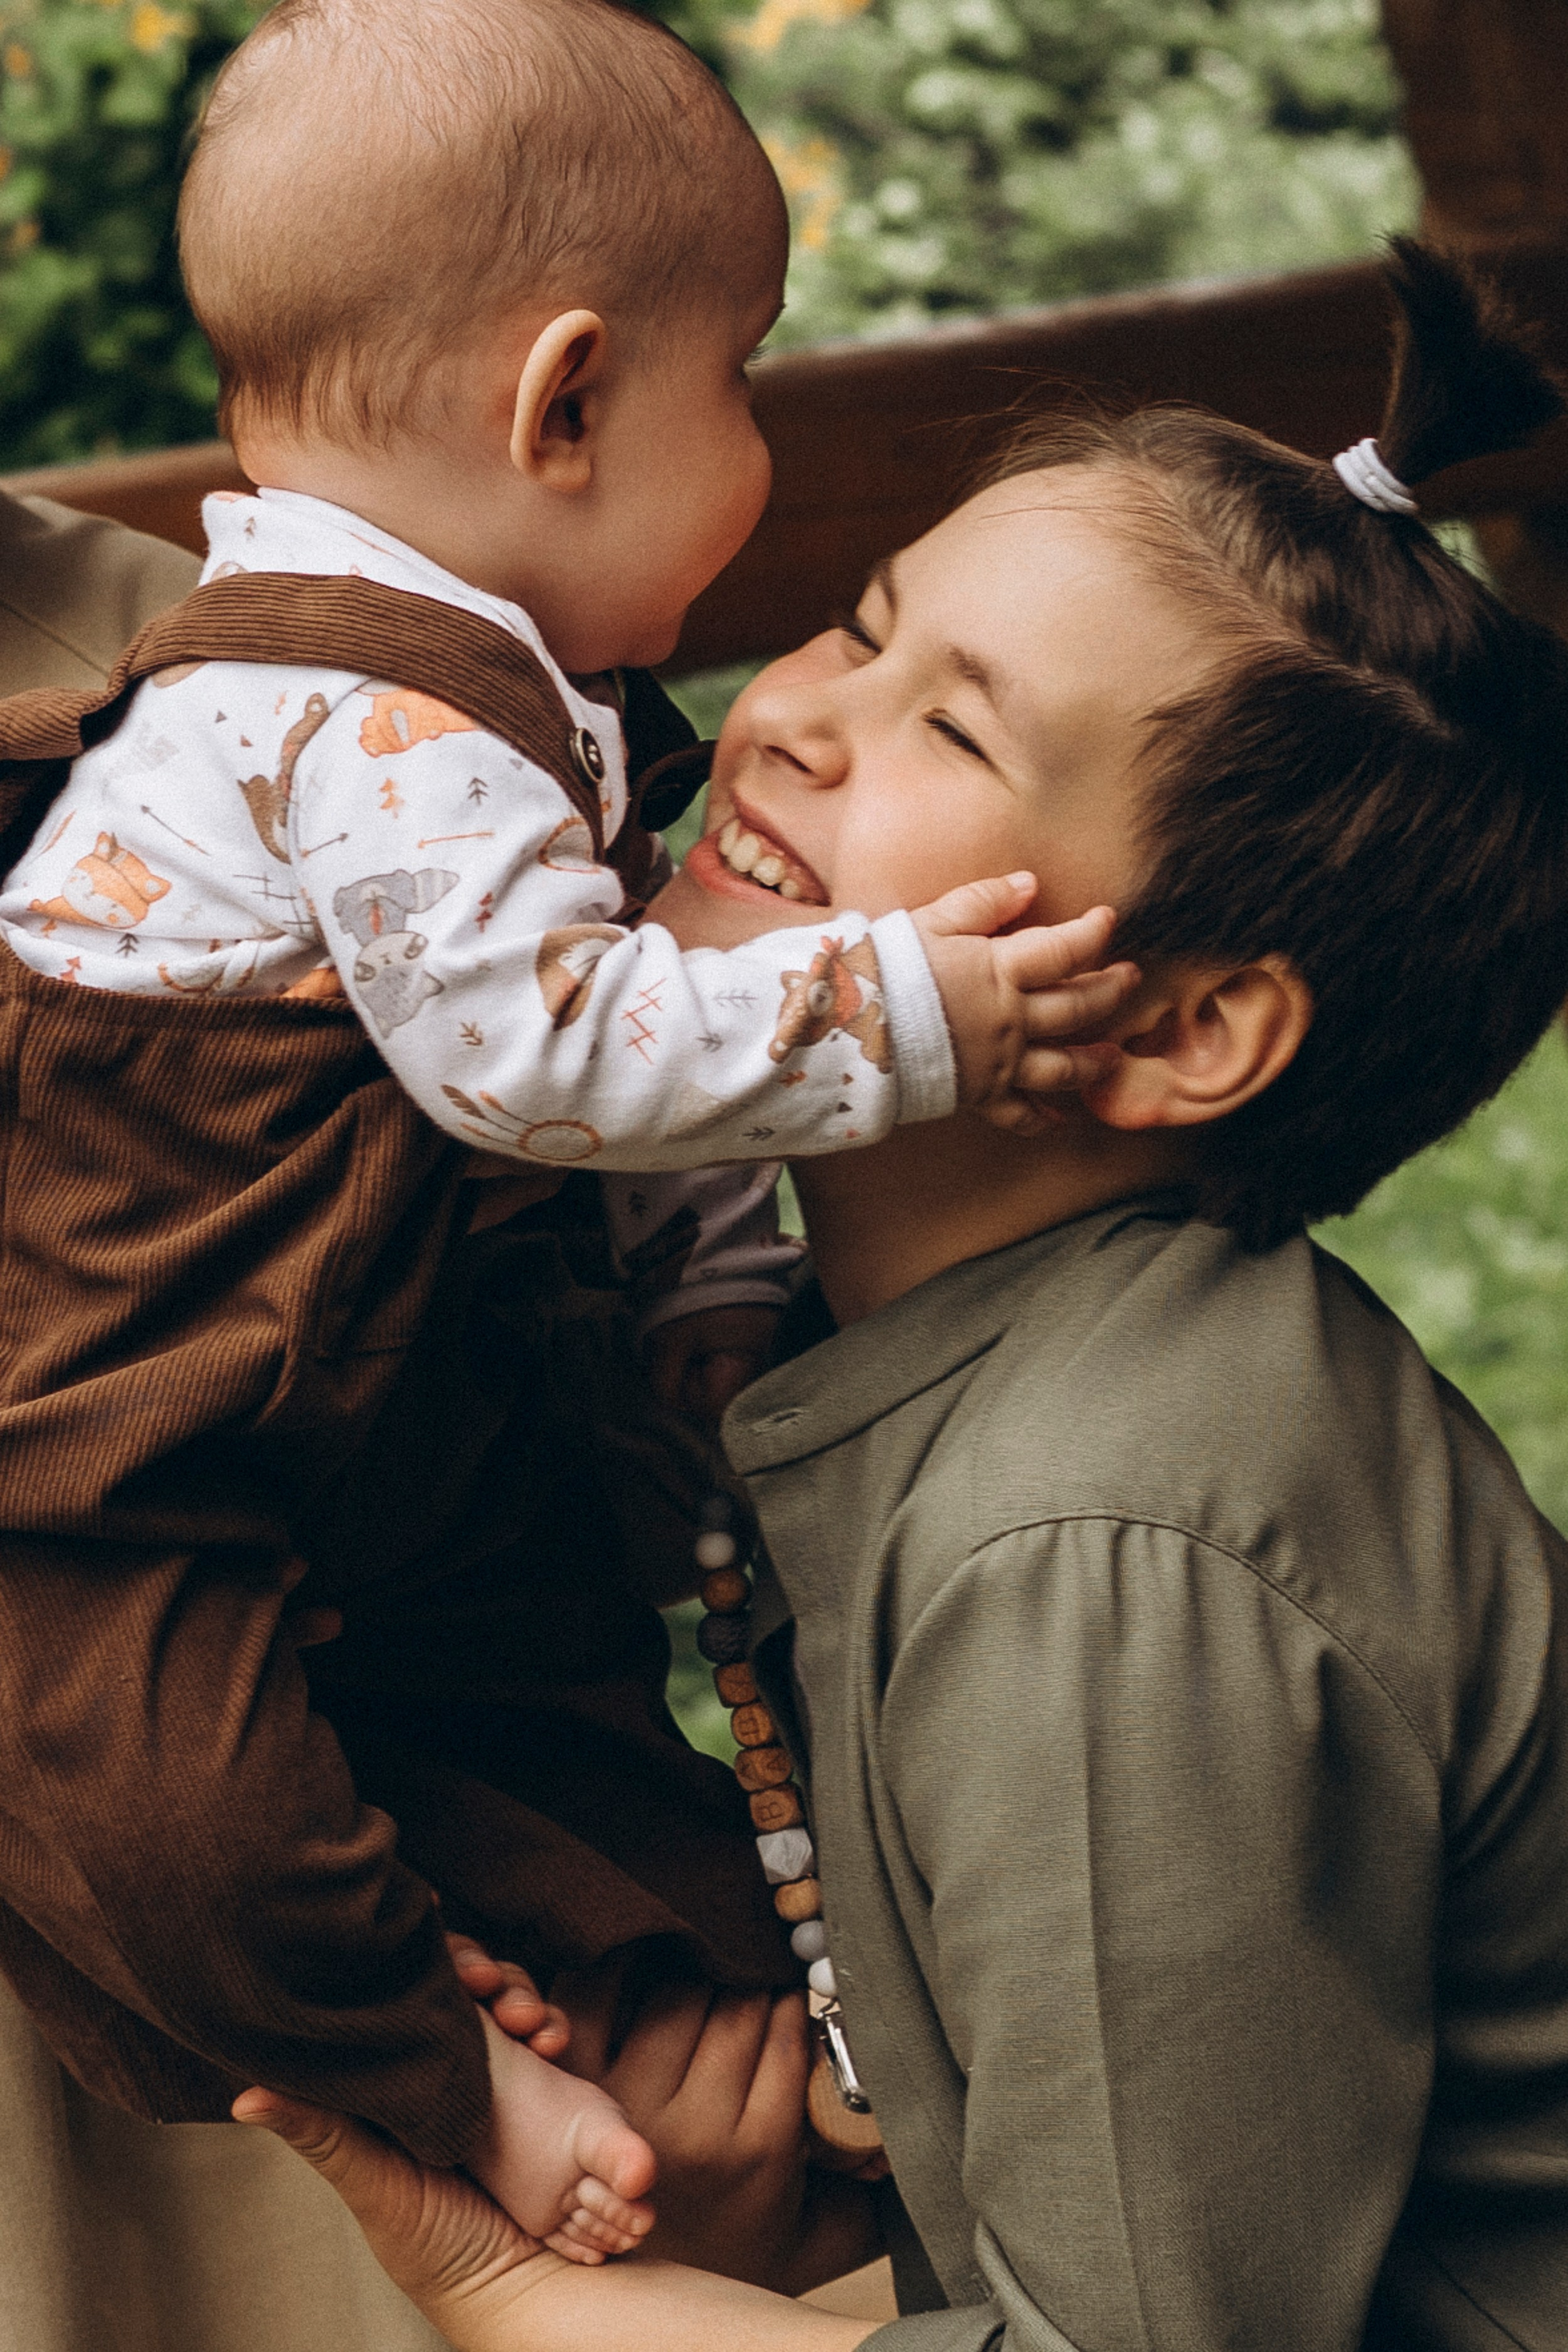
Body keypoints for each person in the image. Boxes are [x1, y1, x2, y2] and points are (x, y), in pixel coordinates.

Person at [236, 241, 1568, 2349]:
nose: (785, 718)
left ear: (1186, 1030)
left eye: (948, 724)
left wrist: (516, 2302)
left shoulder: (1098, 1536)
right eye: (859, 631)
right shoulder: (869, 1345)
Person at [0, 0, 1133, 2269]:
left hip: (354, 1422)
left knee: (564, 1786)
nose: (761, 457)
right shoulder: (366, 723)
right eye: (751, 386)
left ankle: (723, 2027)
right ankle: (435, 2063)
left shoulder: (497, 702)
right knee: (171, 1814)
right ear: (571, 399)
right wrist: (914, 1011)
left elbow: (625, 1034)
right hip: (105, 1431)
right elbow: (554, 1057)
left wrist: (713, 1281)